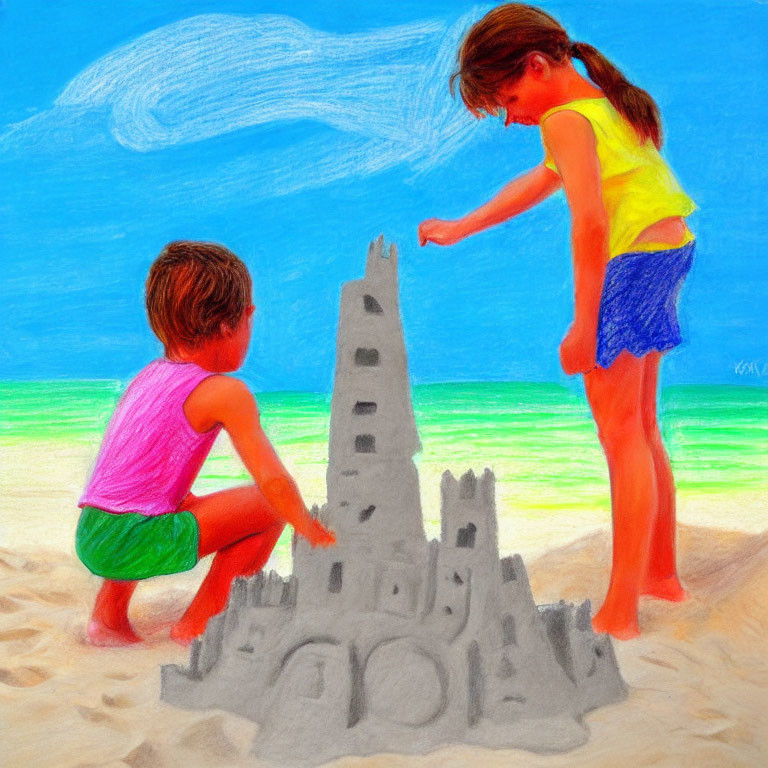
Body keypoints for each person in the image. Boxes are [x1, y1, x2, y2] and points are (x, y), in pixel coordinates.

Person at [418, 3, 695, 639]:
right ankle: (661, 576)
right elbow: (538, 183)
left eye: (510, 98)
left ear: (537, 65)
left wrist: (584, 323)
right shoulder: (611, 105)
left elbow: (591, 222)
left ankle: (622, 610)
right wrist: (463, 226)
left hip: (630, 268)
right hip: (668, 253)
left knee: (621, 436)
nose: (513, 117)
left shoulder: (568, 118)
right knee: (644, 427)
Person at [76, 241, 336, 647]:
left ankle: (107, 620)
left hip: (94, 532)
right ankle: (199, 626)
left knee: (168, 498)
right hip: (131, 541)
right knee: (269, 508)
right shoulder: (224, 393)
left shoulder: (148, 379)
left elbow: (131, 479)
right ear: (228, 326)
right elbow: (273, 482)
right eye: (250, 316)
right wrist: (311, 530)